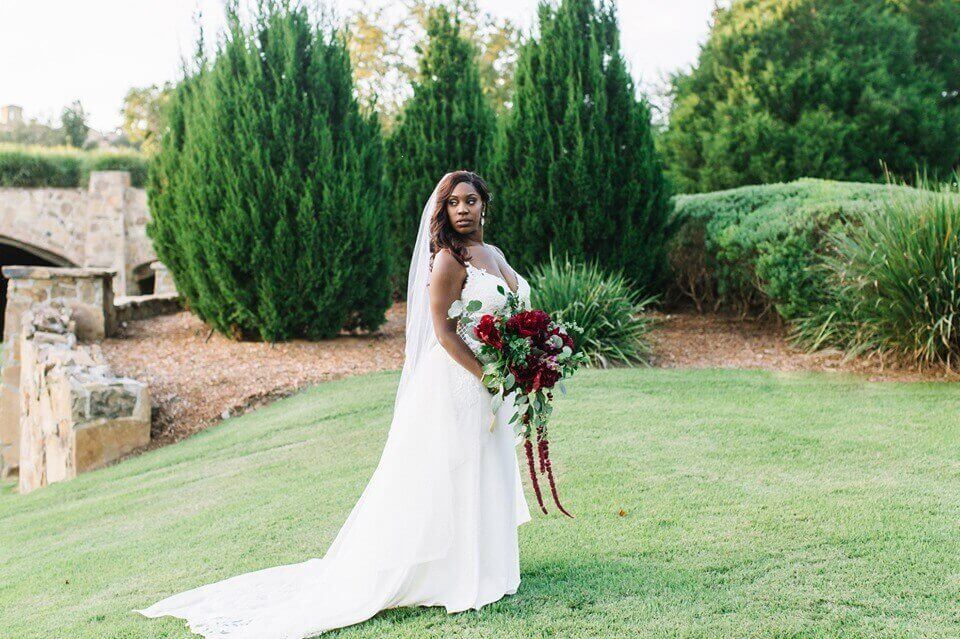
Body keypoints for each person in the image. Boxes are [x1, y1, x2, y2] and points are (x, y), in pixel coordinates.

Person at [135, 170, 533, 638]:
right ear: (443, 211)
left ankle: (488, 565)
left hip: (495, 380)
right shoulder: (448, 260)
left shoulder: (495, 254)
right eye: (453, 203)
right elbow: (444, 334)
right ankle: (449, 574)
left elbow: (516, 315)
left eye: (471, 200)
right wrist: (488, 375)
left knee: (487, 466)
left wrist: (527, 358)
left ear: (485, 204)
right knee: (451, 471)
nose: (463, 209)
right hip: (459, 382)